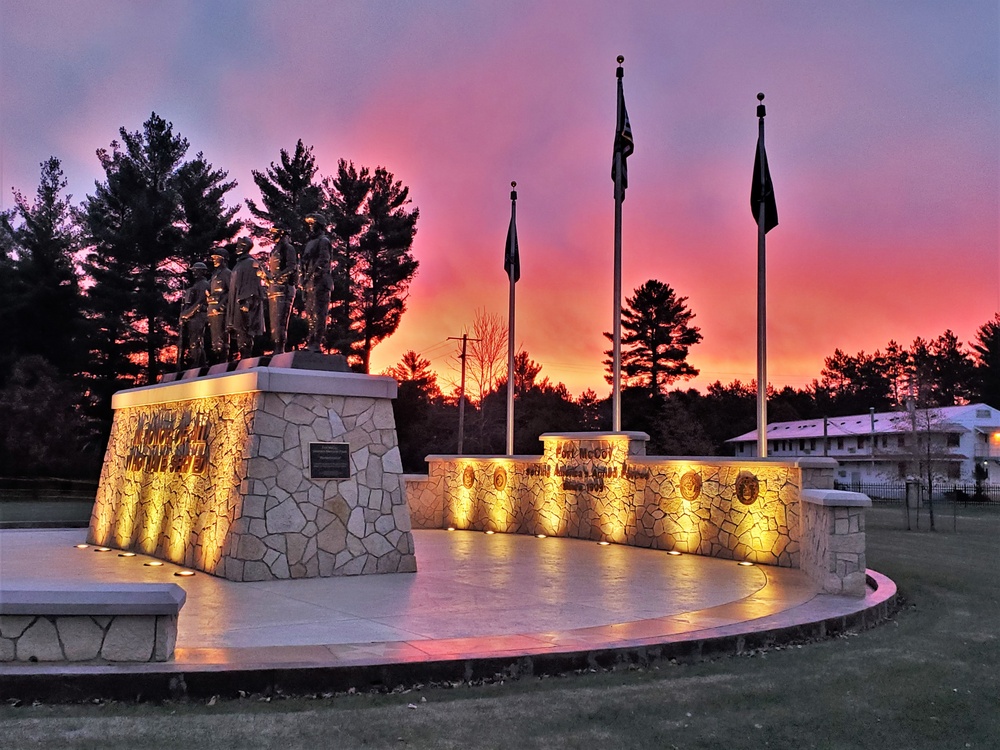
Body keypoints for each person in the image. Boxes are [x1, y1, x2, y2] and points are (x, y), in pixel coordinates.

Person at [227, 237, 266, 359]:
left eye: (240, 245)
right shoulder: (239, 264)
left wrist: (247, 302)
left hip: (245, 302)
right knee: (239, 330)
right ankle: (243, 356)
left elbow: (253, 284)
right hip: (236, 302)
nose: (237, 247)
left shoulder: (250, 263)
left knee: (245, 331)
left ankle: (246, 357)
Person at [300, 213, 333, 352]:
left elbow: (323, 260)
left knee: (319, 313)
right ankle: (310, 340)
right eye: (309, 224)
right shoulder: (309, 243)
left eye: (313, 224)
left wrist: (312, 275)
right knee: (310, 313)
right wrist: (303, 279)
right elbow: (304, 263)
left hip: (320, 281)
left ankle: (316, 342)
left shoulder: (324, 241)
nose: (310, 227)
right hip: (309, 283)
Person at [265, 224, 299, 353]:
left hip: (284, 288)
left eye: (274, 232)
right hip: (274, 288)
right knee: (274, 322)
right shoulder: (274, 250)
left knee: (280, 321)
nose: (272, 235)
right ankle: (276, 347)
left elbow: (292, 267)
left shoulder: (288, 248)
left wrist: (278, 277)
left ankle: (280, 348)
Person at [179, 262, 210, 368]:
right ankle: (199, 363)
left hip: (199, 315)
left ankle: (198, 362)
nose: (194, 273)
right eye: (193, 271)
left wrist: (187, 313)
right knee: (194, 340)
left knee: (196, 340)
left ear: (203, 272)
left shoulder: (204, 285)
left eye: (197, 270)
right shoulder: (196, 285)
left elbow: (200, 302)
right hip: (193, 316)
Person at [207, 249, 232, 363]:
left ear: (223, 259)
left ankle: (223, 361)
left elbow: (230, 292)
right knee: (214, 339)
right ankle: (217, 361)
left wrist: (221, 305)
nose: (214, 260)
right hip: (212, 309)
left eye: (217, 258)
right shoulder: (215, 275)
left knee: (221, 338)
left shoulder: (226, 273)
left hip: (220, 310)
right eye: (213, 258)